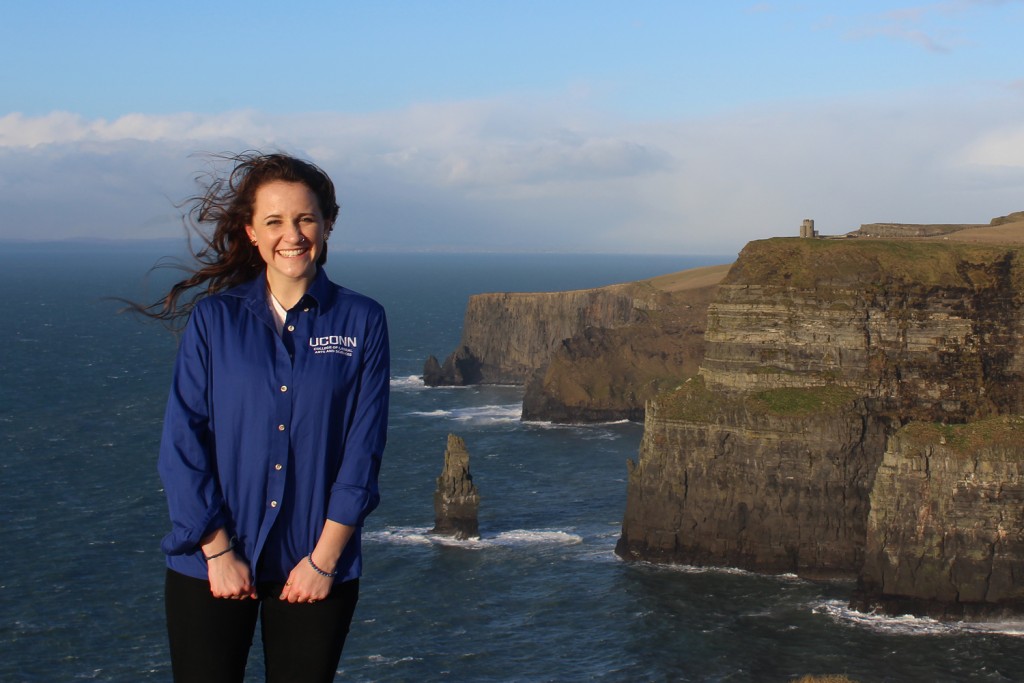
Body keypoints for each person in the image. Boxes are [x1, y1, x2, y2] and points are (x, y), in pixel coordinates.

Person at [144, 152, 389, 682]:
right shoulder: (215, 321)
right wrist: (218, 551)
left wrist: (324, 561)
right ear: (252, 232)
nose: (292, 234)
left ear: (327, 223)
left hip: (315, 566)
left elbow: (362, 451)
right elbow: (183, 441)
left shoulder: (363, 320)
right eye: (274, 221)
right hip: (211, 563)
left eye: (305, 218)